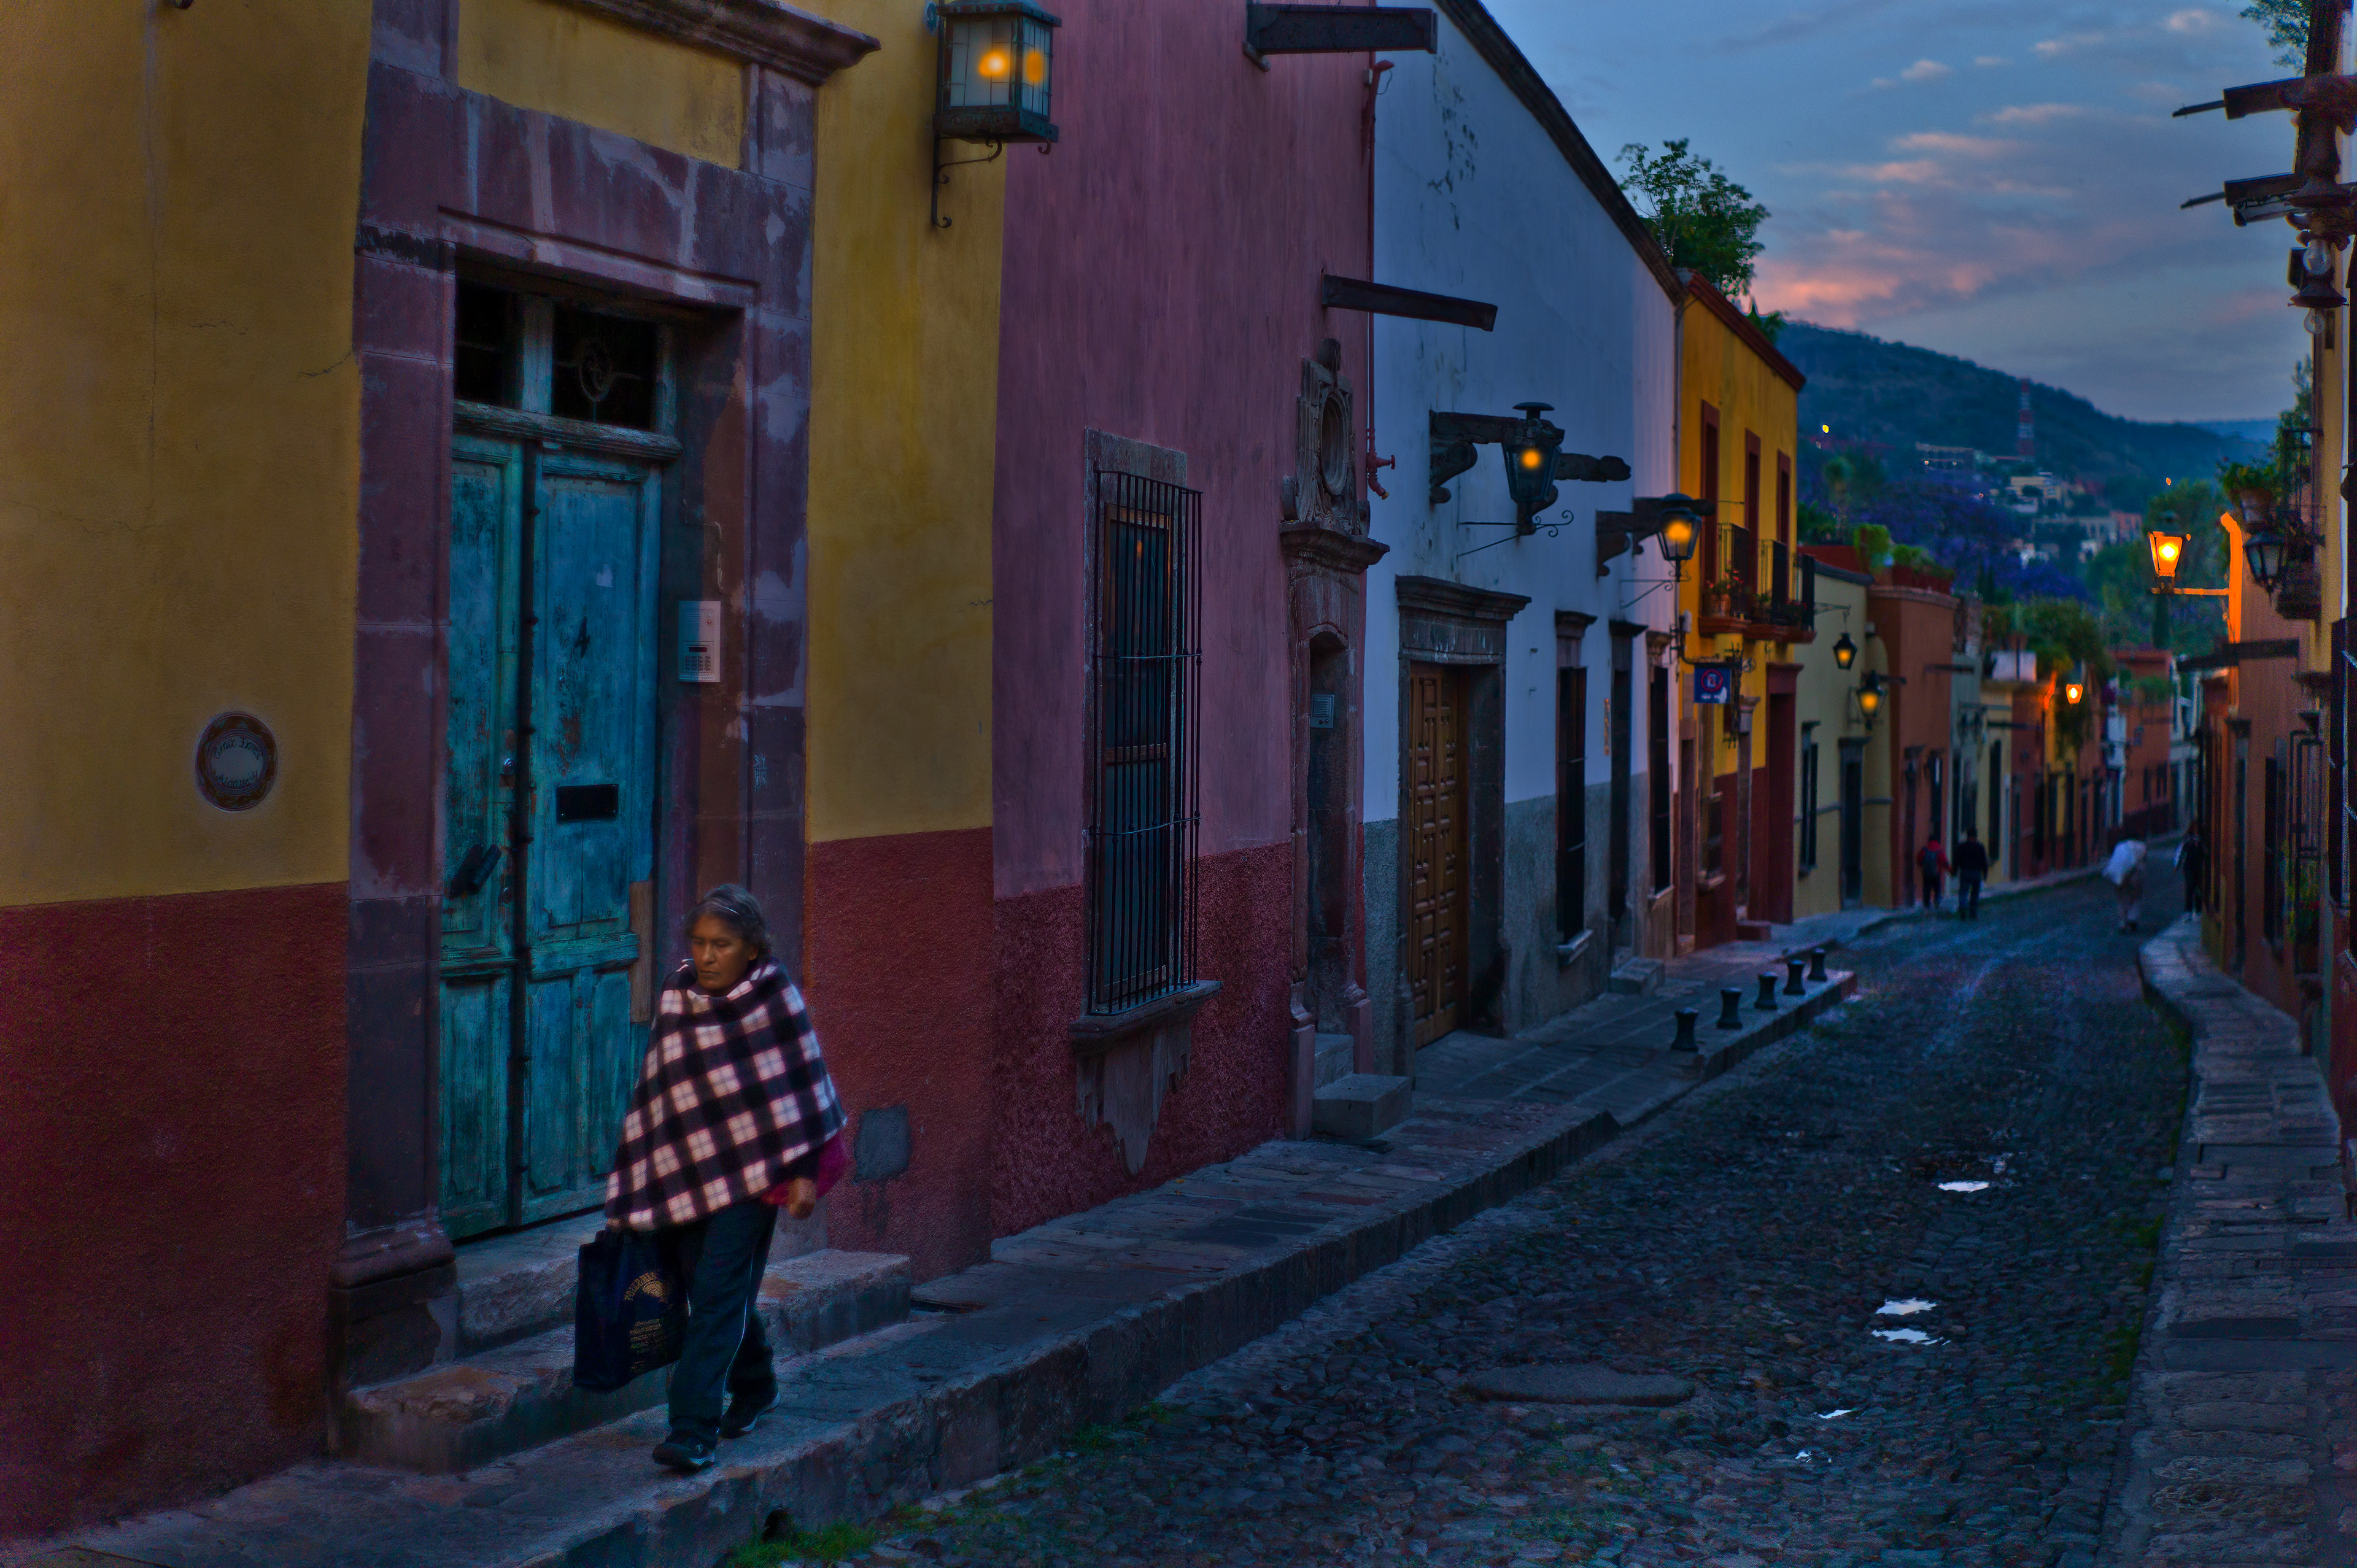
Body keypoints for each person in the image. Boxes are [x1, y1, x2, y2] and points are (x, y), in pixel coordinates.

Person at [605, 885, 850, 1475]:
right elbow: (660, 1090)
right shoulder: (676, 994)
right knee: (709, 1289)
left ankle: (692, 1429)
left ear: (753, 949)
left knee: (715, 1296)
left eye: (724, 944)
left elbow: (799, 1090)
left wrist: (802, 1176)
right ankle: (759, 1382)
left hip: (754, 1178)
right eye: (701, 943)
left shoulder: (775, 999)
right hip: (683, 1173)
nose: (709, 955)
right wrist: (639, 1177)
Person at [2103, 832, 2149, 933]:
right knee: (2134, 898)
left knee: (2121, 899)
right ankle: (2132, 919)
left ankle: (2123, 921)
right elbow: (2143, 862)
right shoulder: (2141, 847)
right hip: (2134, 876)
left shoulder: (2120, 846)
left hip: (2119, 875)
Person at [1952, 827, 1989, 920]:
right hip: (1976, 873)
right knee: (1975, 893)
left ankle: (1963, 911)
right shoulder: (1980, 847)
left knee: (1964, 892)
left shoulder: (1962, 847)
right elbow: (1984, 862)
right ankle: (1973, 913)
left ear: (1967, 836)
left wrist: (1955, 871)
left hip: (1965, 872)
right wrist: (1985, 874)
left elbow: (1956, 860)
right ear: (1976, 836)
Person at [2177, 825, 2207, 916]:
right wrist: (2177, 864)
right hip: (2191, 866)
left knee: (2194, 888)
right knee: (2192, 888)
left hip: (2194, 867)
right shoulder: (2190, 840)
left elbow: (2204, 852)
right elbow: (2180, 852)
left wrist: (2177, 865)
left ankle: (2194, 909)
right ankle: (2192, 910)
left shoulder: (2198, 839)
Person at [1917, 834, 1949, 912]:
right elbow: (1944, 861)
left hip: (1926, 872)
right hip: (1937, 873)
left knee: (1927, 888)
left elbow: (1919, 860)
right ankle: (1937, 902)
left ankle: (1927, 904)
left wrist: (1923, 866)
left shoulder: (1924, 849)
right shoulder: (1940, 850)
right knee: (1937, 888)